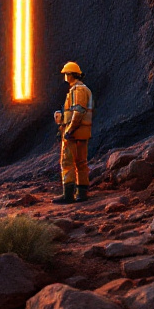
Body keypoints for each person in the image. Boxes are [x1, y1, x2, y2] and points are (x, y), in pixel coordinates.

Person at [53, 62, 93, 204]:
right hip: (81, 132)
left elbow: (78, 112)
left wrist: (69, 130)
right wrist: (62, 119)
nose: (65, 77)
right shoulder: (78, 90)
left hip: (75, 133)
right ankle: (81, 193)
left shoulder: (78, 90)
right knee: (81, 163)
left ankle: (68, 195)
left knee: (67, 162)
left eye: (66, 74)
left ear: (71, 74)